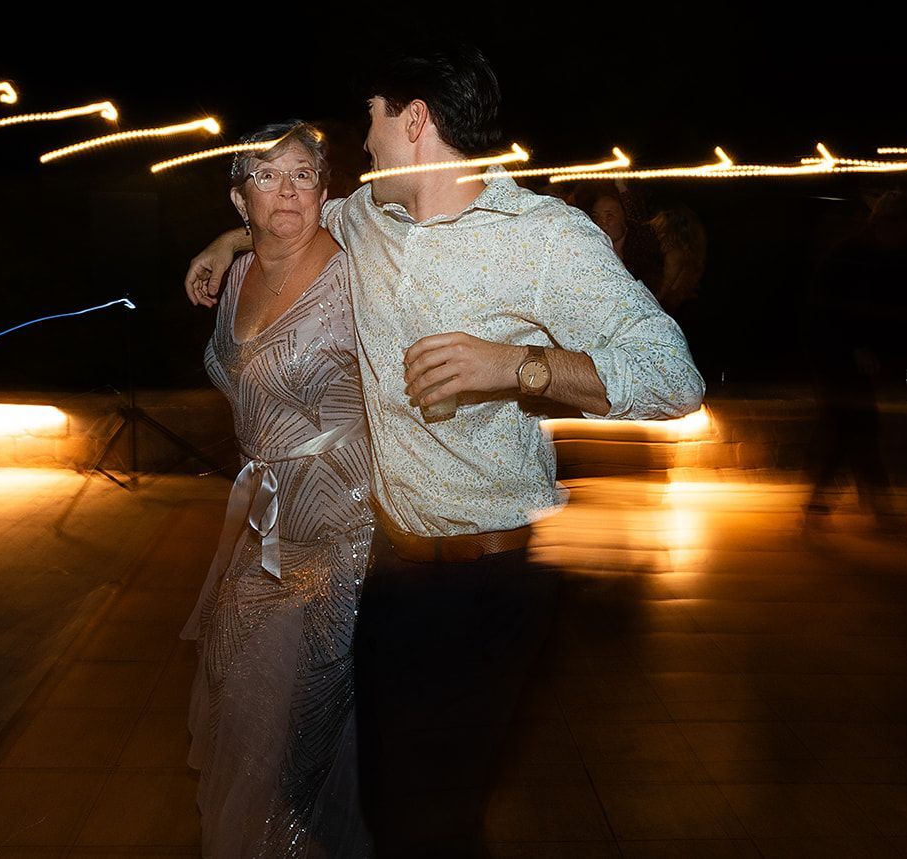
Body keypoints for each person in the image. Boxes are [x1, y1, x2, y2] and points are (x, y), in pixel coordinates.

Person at [187, 45, 704, 854]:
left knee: (437, 818)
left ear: (415, 120)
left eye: (372, 121)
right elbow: (291, 218)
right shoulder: (369, 219)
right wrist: (227, 242)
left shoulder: (541, 237)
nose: (363, 144)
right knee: (382, 802)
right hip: (390, 575)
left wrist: (516, 364)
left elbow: (674, 376)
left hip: (489, 579)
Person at [180, 122, 374, 859]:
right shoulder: (233, 276)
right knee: (240, 700)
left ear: (327, 190)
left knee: (312, 729)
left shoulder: (359, 272)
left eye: (303, 174)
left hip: (341, 531)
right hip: (261, 528)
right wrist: (230, 245)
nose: (288, 189)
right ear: (240, 198)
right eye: (267, 175)